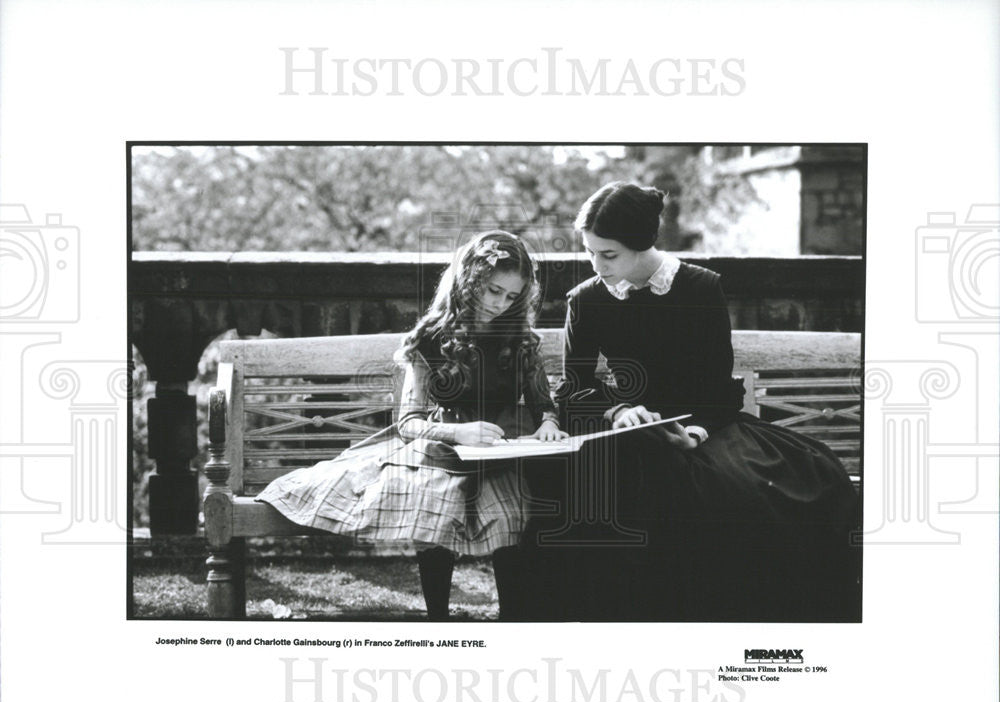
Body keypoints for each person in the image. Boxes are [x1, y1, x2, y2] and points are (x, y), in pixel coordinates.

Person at [521, 181, 860, 622]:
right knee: (588, 490)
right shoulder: (585, 300)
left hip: (707, 427)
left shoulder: (700, 289)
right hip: (625, 432)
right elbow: (574, 386)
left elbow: (718, 389)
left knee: (735, 492)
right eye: (590, 252)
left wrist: (696, 432)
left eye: (608, 254)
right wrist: (620, 409)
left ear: (643, 245)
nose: (596, 265)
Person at [256, 231, 566, 620]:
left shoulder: (520, 340)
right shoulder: (431, 340)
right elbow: (409, 423)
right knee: (432, 504)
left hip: (501, 455)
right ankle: (437, 618)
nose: (499, 304)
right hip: (442, 451)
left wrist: (549, 424)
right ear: (468, 281)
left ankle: (512, 619)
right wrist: (458, 433)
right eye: (492, 290)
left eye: (510, 297)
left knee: (509, 513)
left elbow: (543, 404)